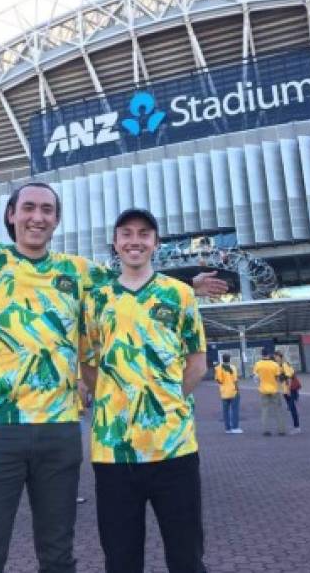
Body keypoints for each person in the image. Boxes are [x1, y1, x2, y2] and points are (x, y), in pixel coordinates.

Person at [0, 182, 227, 572]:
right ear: (12, 214)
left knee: (58, 555)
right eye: (28, 208)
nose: (37, 217)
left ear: (56, 220)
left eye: (47, 210)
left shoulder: (76, 272)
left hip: (59, 430)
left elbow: (133, 277)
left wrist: (189, 283)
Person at [80, 208, 209, 573]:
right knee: (121, 560)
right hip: (113, 453)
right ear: (116, 243)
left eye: (144, 234)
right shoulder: (96, 299)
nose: (135, 240)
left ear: (155, 243)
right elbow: (88, 364)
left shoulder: (180, 294)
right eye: (126, 233)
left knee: (186, 557)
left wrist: (165, 403)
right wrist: (115, 401)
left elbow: (196, 361)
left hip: (175, 448)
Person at [252, 348, 286, 436]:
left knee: (265, 410)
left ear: (261, 355)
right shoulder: (274, 365)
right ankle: (281, 430)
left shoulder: (258, 364)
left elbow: (255, 378)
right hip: (274, 389)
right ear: (268, 354)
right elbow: (278, 378)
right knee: (278, 410)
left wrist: (260, 383)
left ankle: (266, 430)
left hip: (263, 389)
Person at [214, 353, 242, 434]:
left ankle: (227, 428)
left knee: (225, 411)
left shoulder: (218, 368)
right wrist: (238, 390)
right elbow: (235, 380)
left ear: (222, 359)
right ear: (229, 359)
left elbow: (218, 380)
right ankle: (235, 427)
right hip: (233, 391)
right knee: (235, 410)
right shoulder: (232, 367)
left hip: (224, 392)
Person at [274, 350, 301, 434]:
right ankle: (296, 425)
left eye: (276, 356)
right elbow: (280, 379)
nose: (275, 358)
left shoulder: (285, 364)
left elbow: (289, 378)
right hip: (286, 390)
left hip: (290, 389)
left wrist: (288, 390)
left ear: (279, 357)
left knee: (292, 408)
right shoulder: (279, 365)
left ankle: (297, 427)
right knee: (290, 408)